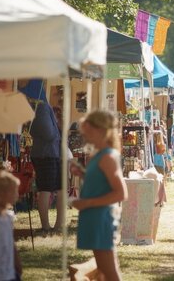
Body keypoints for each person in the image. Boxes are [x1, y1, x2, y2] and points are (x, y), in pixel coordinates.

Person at [70, 110, 128, 281]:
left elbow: (121, 193)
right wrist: (83, 174)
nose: (84, 135)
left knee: (109, 270)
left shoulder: (108, 156)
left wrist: (88, 203)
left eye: (87, 130)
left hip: (101, 217)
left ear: (100, 130)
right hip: (95, 217)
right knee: (102, 270)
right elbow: (101, 182)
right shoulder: (99, 154)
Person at [24, 82, 65, 233]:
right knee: (46, 189)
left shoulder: (36, 107)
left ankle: (57, 225)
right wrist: (57, 135)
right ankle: (46, 226)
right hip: (46, 153)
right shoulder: (40, 107)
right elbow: (47, 132)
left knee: (58, 188)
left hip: (49, 152)